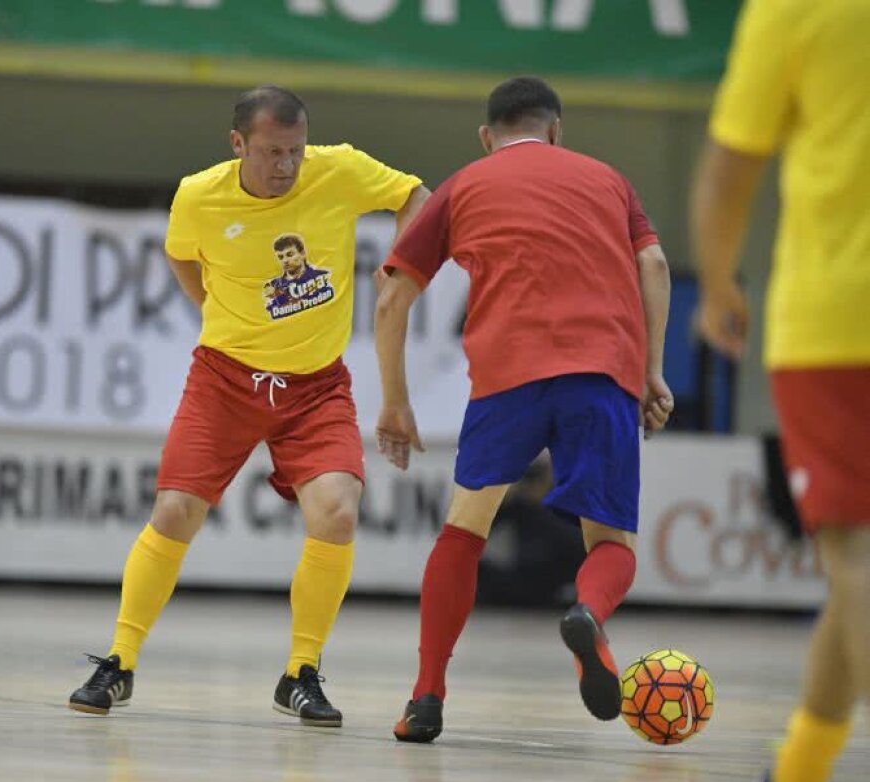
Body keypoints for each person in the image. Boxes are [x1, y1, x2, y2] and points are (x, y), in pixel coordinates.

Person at [67, 84, 429, 727]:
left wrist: (403, 264)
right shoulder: (199, 195)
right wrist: (215, 312)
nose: (287, 164)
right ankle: (119, 662)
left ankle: (301, 672)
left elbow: (414, 196)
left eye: (295, 149)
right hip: (225, 380)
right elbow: (181, 257)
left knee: (338, 514)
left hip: (315, 387)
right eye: (271, 152)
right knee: (175, 510)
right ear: (238, 145)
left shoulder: (338, 168)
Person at [373, 76, 672, 743]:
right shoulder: (608, 180)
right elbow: (652, 264)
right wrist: (651, 370)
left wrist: (395, 401)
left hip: (507, 376)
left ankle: (427, 696)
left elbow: (392, 297)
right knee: (609, 543)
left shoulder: (462, 185)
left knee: (464, 530)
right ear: (557, 130)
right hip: (601, 371)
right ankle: (588, 613)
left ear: (488, 138)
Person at [690, 2, 870, 782]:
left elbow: (732, 166)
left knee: (857, 558)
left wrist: (719, 279)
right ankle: (795, 776)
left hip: (838, 318)